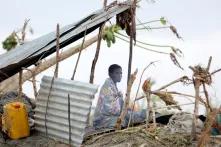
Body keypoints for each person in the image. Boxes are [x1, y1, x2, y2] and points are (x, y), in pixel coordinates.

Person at [93, 64, 145, 129]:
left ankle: (145, 113)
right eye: (117, 73)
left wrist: (126, 107)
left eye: (121, 73)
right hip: (102, 121)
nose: (120, 75)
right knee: (123, 121)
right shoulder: (107, 87)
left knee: (132, 116)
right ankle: (144, 114)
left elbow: (120, 105)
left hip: (111, 117)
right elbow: (108, 109)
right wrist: (124, 110)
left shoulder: (113, 87)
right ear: (110, 74)